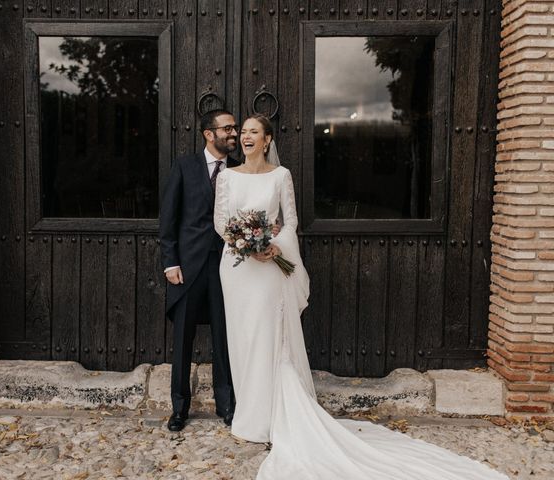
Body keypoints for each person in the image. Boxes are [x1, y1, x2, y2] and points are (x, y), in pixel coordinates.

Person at [214, 114, 509, 479]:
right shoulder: (227, 177)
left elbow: (290, 222)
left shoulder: (281, 175)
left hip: (272, 267)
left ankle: (271, 417)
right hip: (239, 268)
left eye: (252, 132)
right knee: (243, 339)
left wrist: (273, 246)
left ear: (267, 139)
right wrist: (246, 243)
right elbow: (220, 221)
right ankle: (249, 416)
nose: (245, 137)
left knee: (269, 339)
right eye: (242, 132)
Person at [159, 109, 239, 431]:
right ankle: (179, 408)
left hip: (227, 268)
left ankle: (227, 405)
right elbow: (168, 219)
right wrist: (170, 262)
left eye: (235, 128)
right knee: (183, 341)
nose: (234, 134)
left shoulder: (239, 170)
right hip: (187, 267)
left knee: (224, 337)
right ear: (209, 133)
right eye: (228, 129)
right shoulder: (184, 167)